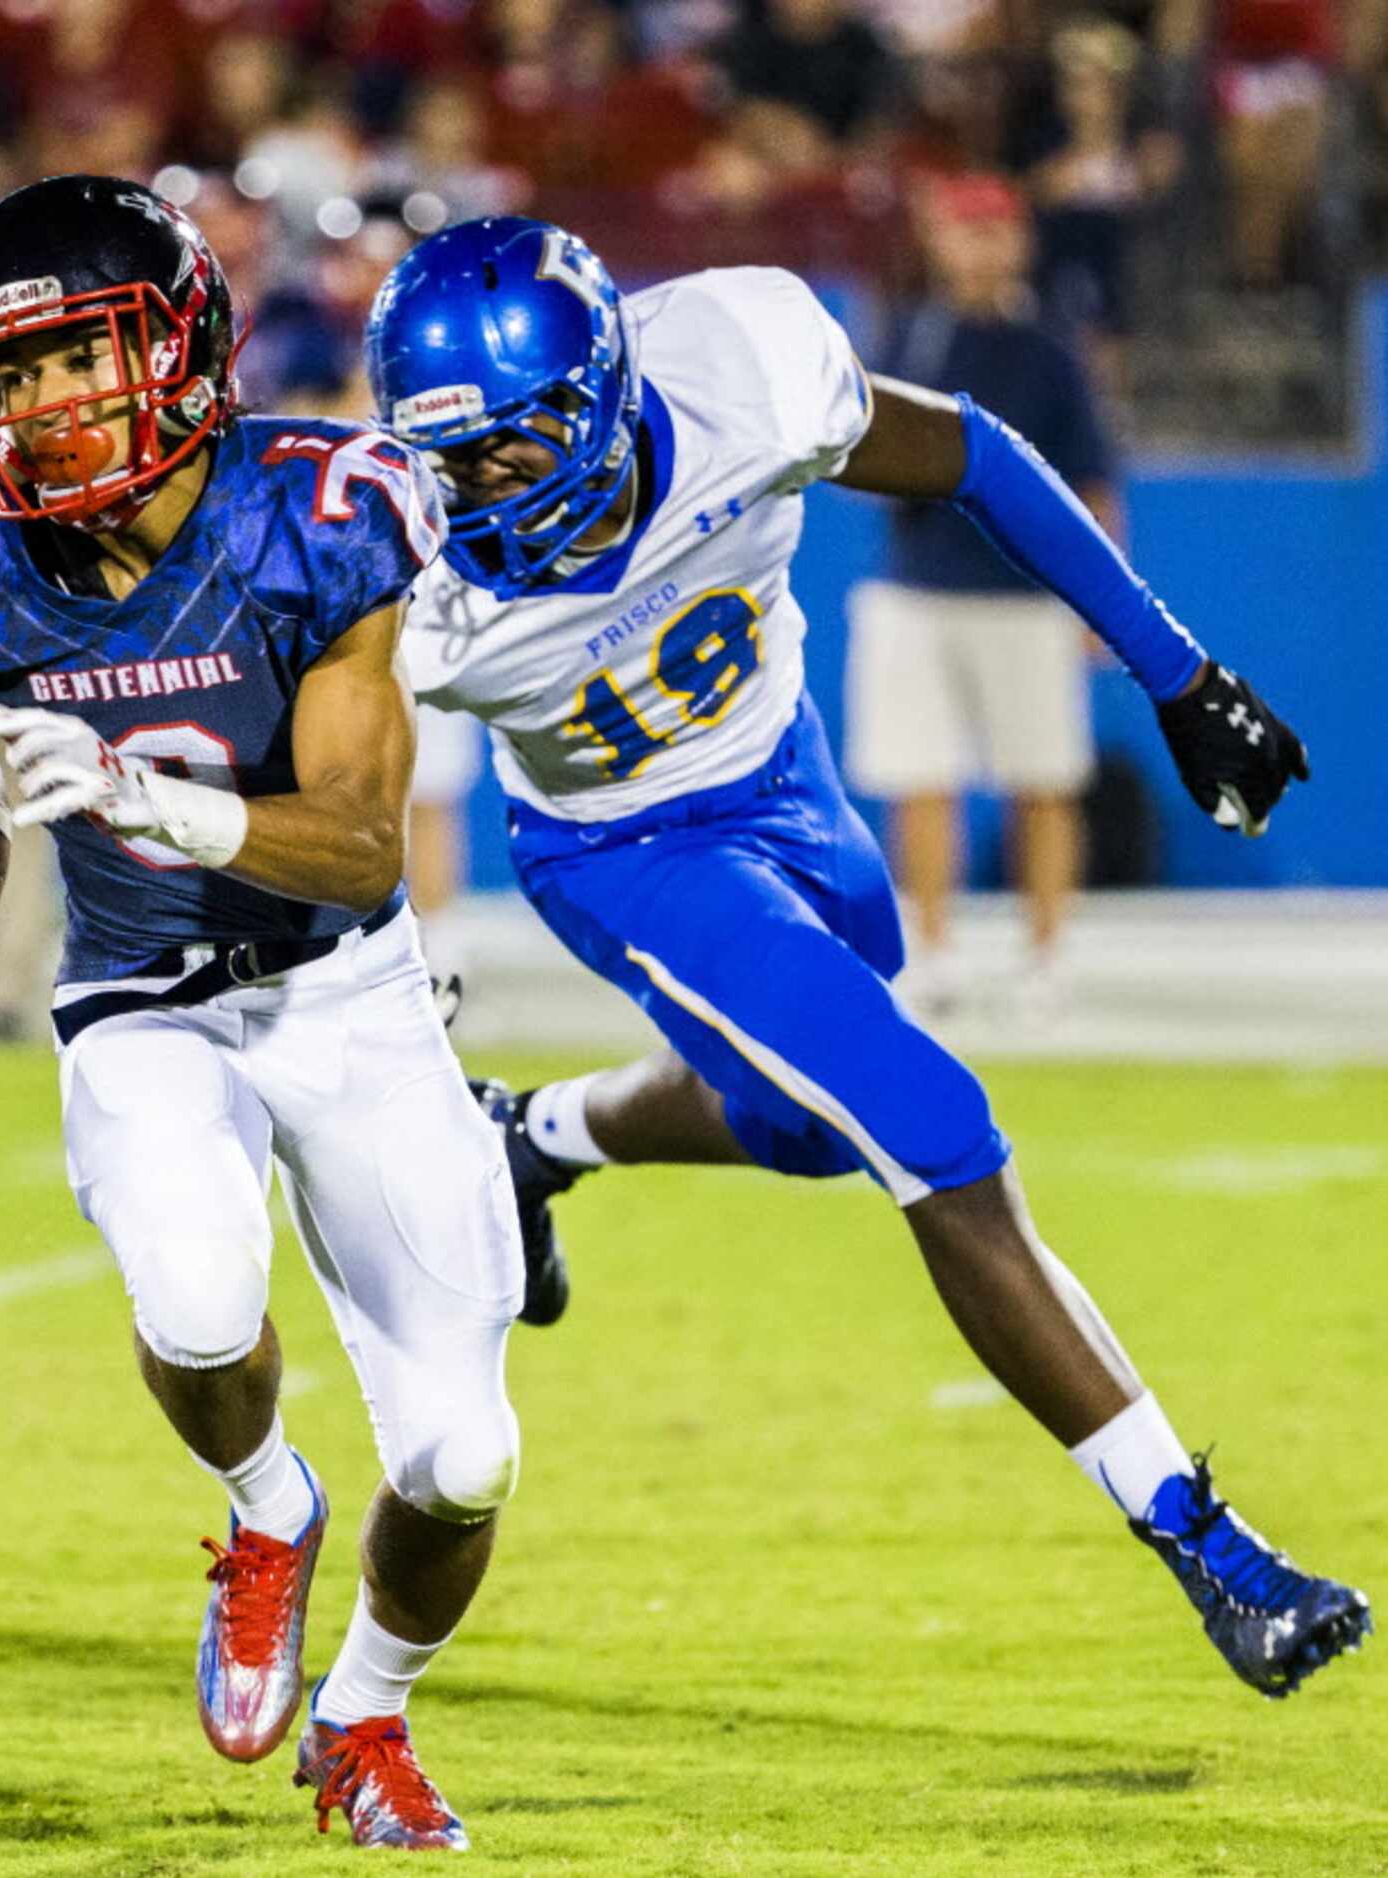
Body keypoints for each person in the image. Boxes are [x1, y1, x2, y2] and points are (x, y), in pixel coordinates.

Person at [367, 215, 1366, 1701]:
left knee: (801, 1120)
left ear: (595, 394)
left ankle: (536, 1137)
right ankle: (1202, 1536)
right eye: (446, 459)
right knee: (923, 1125)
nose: (474, 493)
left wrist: (1179, 669)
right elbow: (322, 794)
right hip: (632, 856)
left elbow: (969, 455)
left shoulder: (740, 369)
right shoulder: (405, 592)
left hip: (785, 772)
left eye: (507, 451)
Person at [0, 175, 524, 1849]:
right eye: (9, 374)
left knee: (465, 1454)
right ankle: (267, 1510)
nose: (39, 406)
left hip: (346, 987)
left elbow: (352, 843)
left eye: (74, 359)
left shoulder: (314, 514)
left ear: (178, 345)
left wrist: (138, 792)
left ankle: (367, 1713)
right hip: (138, 1001)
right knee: (194, 1312)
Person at [844, 174, 1115, 1017]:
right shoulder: (908, 339)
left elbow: (1093, 482)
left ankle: (1047, 956)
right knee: (918, 776)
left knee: (1044, 780)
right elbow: (855, 449)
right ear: (939, 244)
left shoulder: (1050, 347)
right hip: (919, 591)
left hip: (1024, 596)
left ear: (1017, 242)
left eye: (993, 232)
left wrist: (1098, 599)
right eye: (965, 233)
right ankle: (932, 951)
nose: (979, 249)